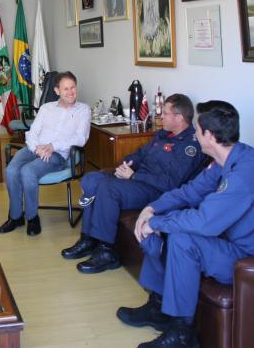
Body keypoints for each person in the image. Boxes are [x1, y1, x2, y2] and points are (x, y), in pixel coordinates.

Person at [117, 101, 254, 348]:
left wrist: (157, 222)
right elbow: (191, 191)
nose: (195, 134)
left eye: (198, 130)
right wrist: (152, 208)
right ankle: (158, 307)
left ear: (209, 136)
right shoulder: (229, 158)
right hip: (235, 244)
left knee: (180, 237)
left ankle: (182, 335)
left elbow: (205, 223)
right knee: (167, 229)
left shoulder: (244, 174)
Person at [61, 94, 206, 274]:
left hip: (156, 191)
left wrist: (134, 176)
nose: (161, 116)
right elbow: (140, 154)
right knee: (92, 179)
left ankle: (108, 251)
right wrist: (126, 165)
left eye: (165, 113)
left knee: (108, 188)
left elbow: (170, 183)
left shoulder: (190, 146)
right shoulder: (162, 135)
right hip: (136, 179)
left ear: (179, 118)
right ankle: (89, 238)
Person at [0, 71, 91, 236]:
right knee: (11, 170)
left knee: (28, 171)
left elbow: (80, 138)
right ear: (57, 91)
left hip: (58, 154)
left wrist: (52, 146)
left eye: (73, 88)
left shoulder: (83, 110)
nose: (70, 92)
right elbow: (32, 132)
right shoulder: (46, 108)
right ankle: (15, 216)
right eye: (66, 89)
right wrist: (37, 148)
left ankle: (32, 217)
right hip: (34, 148)